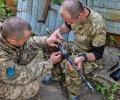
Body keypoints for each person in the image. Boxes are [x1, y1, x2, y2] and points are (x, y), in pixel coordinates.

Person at [43, 0, 106, 100]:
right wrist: (58, 31)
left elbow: (98, 54)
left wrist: (83, 57)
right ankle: (57, 76)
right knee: (50, 46)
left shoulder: (97, 24)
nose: (67, 22)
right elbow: (67, 26)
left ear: (80, 15)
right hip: (75, 46)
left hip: (89, 55)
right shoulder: (74, 11)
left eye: (70, 20)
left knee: (71, 64)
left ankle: (74, 94)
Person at [0, 16, 63, 100]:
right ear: (13, 41)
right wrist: (49, 63)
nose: (27, 41)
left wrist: (46, 40)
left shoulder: (7, 31)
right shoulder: (2, 57)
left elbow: (30, 42)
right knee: (33, 87)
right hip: (8, 76)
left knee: (42, 44)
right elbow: (19, 76)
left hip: (10, 65)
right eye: (25, 40)